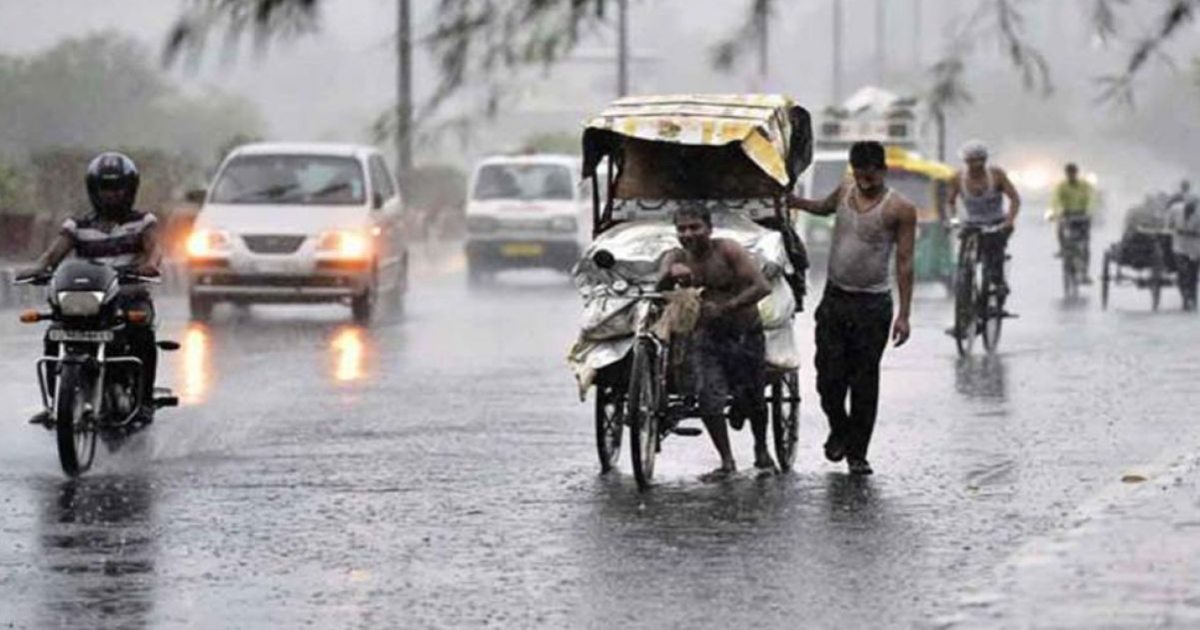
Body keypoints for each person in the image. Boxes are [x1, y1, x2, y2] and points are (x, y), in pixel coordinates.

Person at [786, 141, 916, 476]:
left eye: (872, 176)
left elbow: (904, 263)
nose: (866, 182)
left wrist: (904, 315)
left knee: (863, 382)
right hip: (835, 299)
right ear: (853, 171)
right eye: (860, 175)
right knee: (828, 379)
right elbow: (824, 208)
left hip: (873, 305)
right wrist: (794, 202)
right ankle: (839, 428)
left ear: (883, 171)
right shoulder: (845, 188)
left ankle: (857, 453)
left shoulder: (899, 208)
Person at [19, 152, 162, 426]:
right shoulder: (77, 225)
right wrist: (37, 270)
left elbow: (154, 248)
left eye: (118, 188)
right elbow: (52, 256)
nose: (112, 195)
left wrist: (151, 265)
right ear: (93, 190)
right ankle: (54, 405)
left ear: (130, 189)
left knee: (143, 334)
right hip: (88, 300)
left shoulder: (143, 222)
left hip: (128, 297)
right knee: (53, 334)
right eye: (105, 188)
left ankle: (144, 402)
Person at [657, 204, 773, 478]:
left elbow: (762, 286)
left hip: (744, 334)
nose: (688, 234)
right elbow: (658, 291)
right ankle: (727, 461)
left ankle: (761, 449)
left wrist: (727, 307)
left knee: (754, 398)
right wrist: (669, 277)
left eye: (695, 227)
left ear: (709, 229)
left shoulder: (728, 250)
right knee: (709, 399)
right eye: (682, 229)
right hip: (706, 337)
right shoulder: (675, 256)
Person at [946, 140, 1021, 293]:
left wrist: (1009, 221)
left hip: (996, 222)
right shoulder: (957, 178)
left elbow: (1014, 198)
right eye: (971, 161)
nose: (975, 166)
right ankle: (965, 280)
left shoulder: (996, 175)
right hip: (972, 223)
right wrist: (954, 220)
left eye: (979, 160)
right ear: (965, 162)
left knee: (995, 251)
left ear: (985, 160)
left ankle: (997, 281)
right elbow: (950, 202)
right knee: (966, 249)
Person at [1049, 163, 1097, 281]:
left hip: (1082, 215)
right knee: (1060, 229)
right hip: (1067, 214)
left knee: (1085, 244)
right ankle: (1062, 248)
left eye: (1073, 173)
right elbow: (1055, 199)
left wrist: (1090, 212)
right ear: (1066, 174)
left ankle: (1085, 272)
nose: (1071, 175)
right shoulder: (1061, 186)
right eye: (1069, 173)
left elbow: (1092, 198)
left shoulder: (1085, 185)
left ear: (1076, 173)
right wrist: (1055, 212)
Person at [1169, 198, 1200, 311]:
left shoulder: (1198, 213)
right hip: (1179, 246)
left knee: (1193, 274)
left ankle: (1193, 298)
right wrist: (1175, 229)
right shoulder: (1175, 209)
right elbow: (1168, 224)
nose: (1189, 212)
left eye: (1191, 210)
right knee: (1183, 272)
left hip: (1195, 248)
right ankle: (1185, 297)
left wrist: (1193, 232)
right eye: (1187, 210)